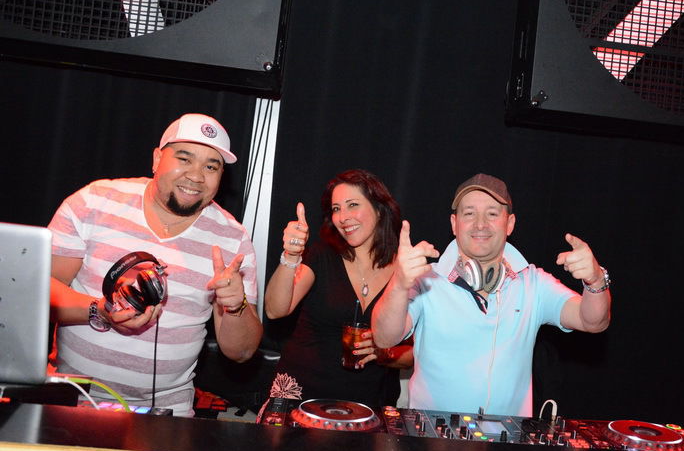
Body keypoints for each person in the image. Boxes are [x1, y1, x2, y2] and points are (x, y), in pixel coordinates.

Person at [48, 113, 263, 417]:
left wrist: (235, 305)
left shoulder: (232, 239)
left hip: (167, 410)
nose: (196, 176)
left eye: (211, 166)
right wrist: (100, 310)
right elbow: (39, 293)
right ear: (157, 159)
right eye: (184, 159)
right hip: (72, 396)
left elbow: (241, 352)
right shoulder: (93, 201)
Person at [372, 173, 611, 417]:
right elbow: (383, 337)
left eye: (492, 214)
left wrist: (595, 280)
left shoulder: (533, 283)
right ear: (454, 223)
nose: (480, 224)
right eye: (469, 213)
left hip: (508, 438)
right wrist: (399, 284)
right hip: (430, 436)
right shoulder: (426, 279)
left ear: (510, 223)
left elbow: (593, 321)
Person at [261, 169, 412, 411]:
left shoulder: (405, 269)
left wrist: (384, 352)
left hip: (368, 405)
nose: (343, 217)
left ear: (379, 208)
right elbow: (275, 310)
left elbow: (418, 352)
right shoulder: (321, 255)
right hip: (300, 397)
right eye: (336, 209)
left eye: (353, 205)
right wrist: (291, 255)